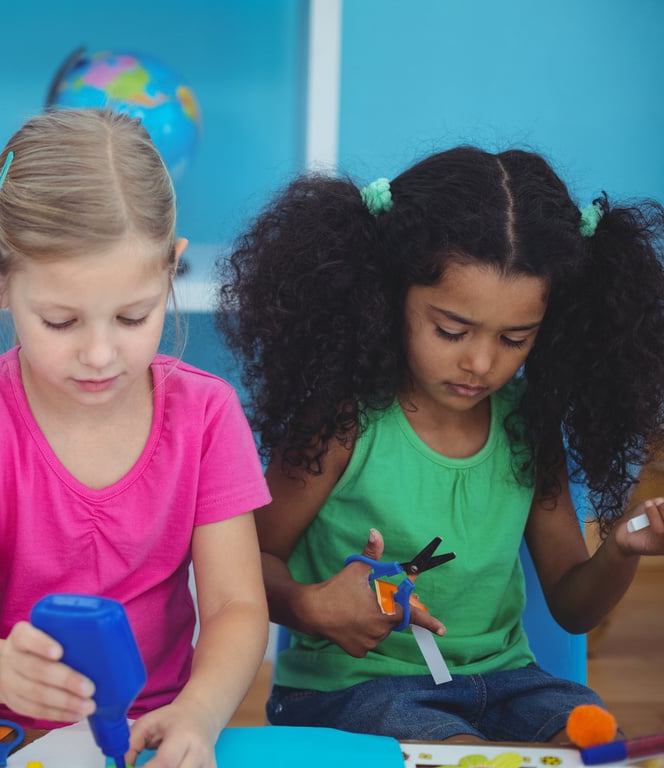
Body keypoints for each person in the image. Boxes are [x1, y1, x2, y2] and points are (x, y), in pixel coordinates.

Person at [217, 145, 664, 742]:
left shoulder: (527, 426)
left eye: (515, 338)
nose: (480, 362)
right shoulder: (342, 423)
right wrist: (311, 605)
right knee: (450, 753)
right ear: (389, 294)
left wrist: (622, 549)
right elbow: (246, 563)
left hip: (508, 683)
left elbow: (571, 607)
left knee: (589, 739)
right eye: (451, 330)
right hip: (355, 690)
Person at [0, 108, 270, 768]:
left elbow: (237, 605)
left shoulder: (208, 416)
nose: (100, 353)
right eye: (61, 321)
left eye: (132, 315)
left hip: (153, 731)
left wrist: (199, 715)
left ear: (171, 270)